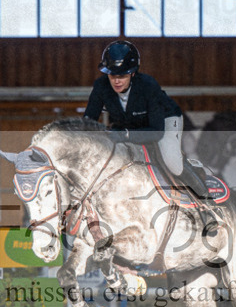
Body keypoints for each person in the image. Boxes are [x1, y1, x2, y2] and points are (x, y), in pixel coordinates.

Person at [83, 40, 211, 203]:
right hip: (131, 124)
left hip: (164, 121)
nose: (116, 81)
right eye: (112, 75)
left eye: (122, 75)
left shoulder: (148, 85)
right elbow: (88, 121)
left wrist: (123, 135)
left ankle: (207, 202)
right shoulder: (101, 86)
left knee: (172, 163)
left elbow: (156, 132)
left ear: (133, 73)